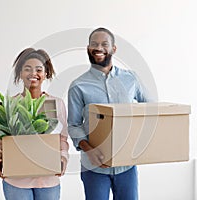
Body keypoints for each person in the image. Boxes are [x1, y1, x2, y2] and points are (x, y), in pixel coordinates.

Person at [67, 27, 150, 200]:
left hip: (126, 166)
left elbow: (149, 110)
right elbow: (74, 125)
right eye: (94, 44)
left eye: (105, 44)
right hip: (93, 168)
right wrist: (89, 150)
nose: (99, 48)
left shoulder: (131, 79)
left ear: (114, 49)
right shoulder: (78, 85)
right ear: (88, 49)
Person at [0, 48, 69, 200]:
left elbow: (62, 138)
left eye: (39, 69)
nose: (33, 73)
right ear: (20, 73)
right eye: (27, 69)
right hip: (16, 179)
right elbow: (1, 138)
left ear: (45, 73)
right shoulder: (11, 104)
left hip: (47, 179)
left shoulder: (55, 104)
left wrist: (63, 158)